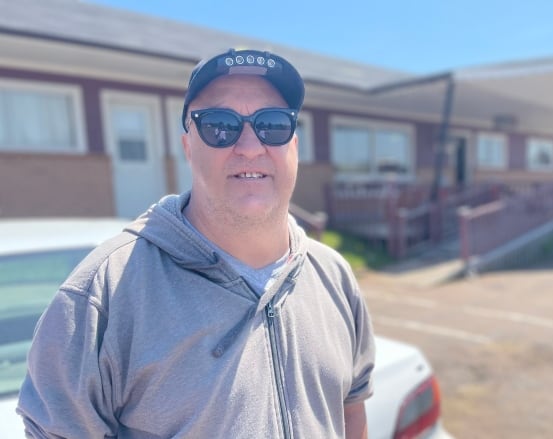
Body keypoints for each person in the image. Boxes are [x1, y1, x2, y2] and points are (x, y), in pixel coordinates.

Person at [16, 48, 376, 438]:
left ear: (294, 147)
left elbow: (350, 412)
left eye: (273, 124)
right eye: (220, 125)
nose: (251, 146)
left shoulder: (334, 276)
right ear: (188, 147)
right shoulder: (102, 294)